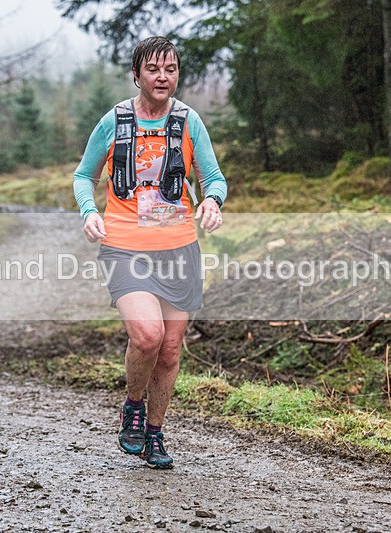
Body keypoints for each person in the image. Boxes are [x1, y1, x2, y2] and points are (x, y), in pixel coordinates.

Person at [72, 36, 228, 469]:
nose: (163, 77)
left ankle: (155, 432)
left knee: (172, 349)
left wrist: (212, 201)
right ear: (136, 74)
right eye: (154, 69)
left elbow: (213, 177)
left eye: (171, 69)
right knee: (147, 335)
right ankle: (133, 406)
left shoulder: (189, 121)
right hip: (124, 245)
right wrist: (89, 211)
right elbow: (84, 176)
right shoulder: (115, 120)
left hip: (178, 247)